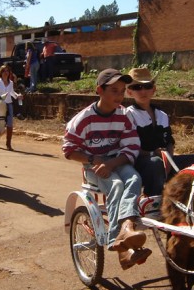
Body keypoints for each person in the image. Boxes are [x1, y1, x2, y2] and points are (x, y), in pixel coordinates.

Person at [62, 68, 152, 270]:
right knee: (117, 185)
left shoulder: (123, 116)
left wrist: (111, 163)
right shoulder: (84, 119)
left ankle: (126, 228)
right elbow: (68, 149)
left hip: (117, 162)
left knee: (134, 179)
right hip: (93, 166)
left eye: (121, 91)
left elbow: (132, 146)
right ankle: (116, 242)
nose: (119, 96)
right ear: (99, 90)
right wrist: (93, 159)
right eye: (114, 91)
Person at [126, 67, 194, 196]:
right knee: (156, 163)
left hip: (163, 161)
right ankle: (154, 201)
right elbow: (130, 148)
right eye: (137, 87)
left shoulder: (162, 115)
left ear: (153, 89)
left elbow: (169, 142)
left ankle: (186, 200)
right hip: (140, 164)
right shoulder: (128, 115)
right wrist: (153, 153)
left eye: (147, 86)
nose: (143, 91)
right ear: (130, 92)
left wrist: (168, 159)